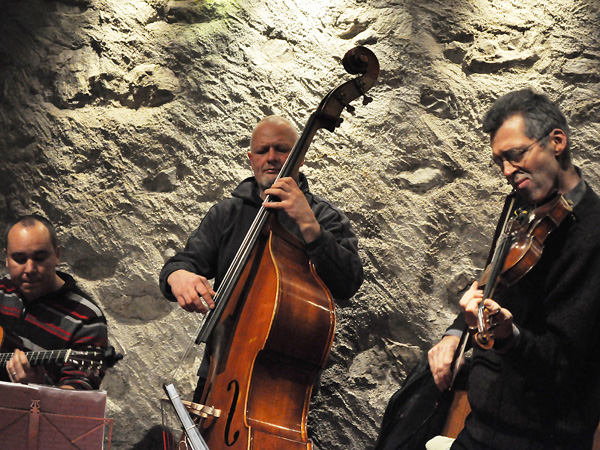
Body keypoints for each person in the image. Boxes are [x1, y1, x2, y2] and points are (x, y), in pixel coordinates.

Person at [427, 88, 600, 450]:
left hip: (544, 438)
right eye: (499, 162)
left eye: (516, 155)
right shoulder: (523, 209)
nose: (507, 171)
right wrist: (456, 331)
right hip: (481, 429)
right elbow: (493, 280)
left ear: (556, 141)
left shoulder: (593, 233)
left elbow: (565, 364)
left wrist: (508, 338)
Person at [159, 115, 364, 401]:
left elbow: (348, 283)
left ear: (300, 156)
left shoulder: (323, 217)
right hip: (217, 373)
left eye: (282, 149)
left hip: (281, 385)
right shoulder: (226, 213)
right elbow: (183, 263)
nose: (271, 158)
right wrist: (176, 276)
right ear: (250, 158)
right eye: (262, 150)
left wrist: (310, 228)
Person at [1, 215, 108, 390]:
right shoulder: (2, 290)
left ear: (57, 255)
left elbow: (74, 400)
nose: (29, 269)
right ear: (6, 258)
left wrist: (36, 387)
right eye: (19, 259)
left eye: (40, 258)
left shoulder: (86, 319)